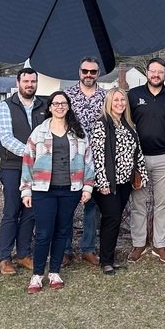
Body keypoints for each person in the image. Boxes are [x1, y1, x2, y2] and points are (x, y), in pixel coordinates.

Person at [21, 91, 95, 294]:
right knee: (44, 233)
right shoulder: (38, 132)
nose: (60, 106)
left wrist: (87, 186)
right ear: (50, 107)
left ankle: (54, 272)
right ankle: (37, 275)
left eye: (63, 103)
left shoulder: (78, 133)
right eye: (56, 103)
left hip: (70, 190)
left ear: (68, 106)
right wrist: (26, 190)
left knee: (63, 231)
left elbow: (89, 162)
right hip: (43, 190)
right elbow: (27, 161)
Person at [0, 68, 48, 275]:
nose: (29, 85)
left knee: (31, 211)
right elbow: (6, 138)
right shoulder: (5, 107)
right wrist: (32, 152)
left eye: (33, 81)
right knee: (12, 210)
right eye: (25, 81)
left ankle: (23, 253)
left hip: (39, 168)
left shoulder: (44, 106)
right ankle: (5, 257)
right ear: (18, 83)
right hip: (13, 167)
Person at [127, 57, 165, 263]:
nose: (156, 75)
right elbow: (127, 123)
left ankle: (160, 245)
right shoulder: (134, 95)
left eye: (160, 72)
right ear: (146, 72)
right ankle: (138, 244)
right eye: (153, 71)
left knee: (162, 203)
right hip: (138, 158)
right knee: (138, 203)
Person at [90, 88, 148, 275]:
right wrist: (102, 182)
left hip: (125, 183)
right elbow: (97, 157)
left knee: (114, 219)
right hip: (108, 184)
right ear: (109, 102)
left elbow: (136, 152)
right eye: (116, 100)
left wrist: (142, 174)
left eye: (123, 100)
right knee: (111, 219)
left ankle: (110, 258)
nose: (120, 103)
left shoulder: (129, 124)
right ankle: (106, 260)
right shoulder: (101, 124)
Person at [63, 56, 106, 266]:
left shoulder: (106, 97)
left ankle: (88, 248)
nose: (89, 75)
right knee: (68, 205)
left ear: (98, 73)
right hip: (72, 158)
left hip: (97, 160)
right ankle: (65, 249)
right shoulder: (68, 96)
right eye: (85, 71)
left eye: (93, 71)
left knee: (92, 206)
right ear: (79, 72)